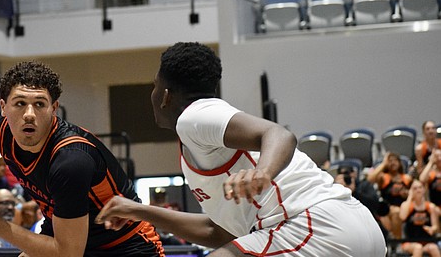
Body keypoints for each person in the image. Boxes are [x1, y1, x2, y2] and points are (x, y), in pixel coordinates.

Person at [94, 42, 386, 256]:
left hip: (315, 226)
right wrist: (139, 211)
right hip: (354, 229)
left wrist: (262, 173)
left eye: (155, 85)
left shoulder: (194, 116)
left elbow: (278, 133)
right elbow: (217, 232)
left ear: (166, 95)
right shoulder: (204, 138)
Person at [0, 61, 165, 256]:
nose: (29, 113)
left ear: (54, 108)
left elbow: (68, 254)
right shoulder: (1, 124)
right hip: (68, 233)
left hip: (124, 245)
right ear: (3, 107)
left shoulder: (70, 160)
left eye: (40, 104)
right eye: (20, 103)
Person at [368, 151, 412, 239]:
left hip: (404, 207)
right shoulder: (384, 177)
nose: (393, 163)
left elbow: (413, 193)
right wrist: (384, 163)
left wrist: (406, 194)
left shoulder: (406, 178)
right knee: (390, 212)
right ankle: (395, 240)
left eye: (395, 160)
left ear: (399, 163)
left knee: (397, 211)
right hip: (387, 207)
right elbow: (370, 179)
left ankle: (396, 241)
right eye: (390, 161)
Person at [399, 179, 441, 257]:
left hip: (426, 241)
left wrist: (432, 229)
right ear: (410, 190)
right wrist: (410, 197)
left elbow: (436, 227)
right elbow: (402, 217)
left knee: (433, 247)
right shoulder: (406, 205)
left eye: (420, 187)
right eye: (415, 188)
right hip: (409, 242)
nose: (418, 190)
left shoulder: (430, 207)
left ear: (424, 189)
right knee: (418, 248)